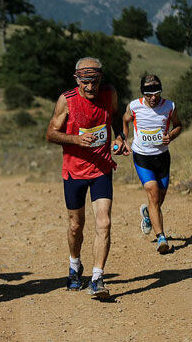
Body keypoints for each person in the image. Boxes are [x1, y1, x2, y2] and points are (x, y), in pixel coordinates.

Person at [46, 57, 128, 299]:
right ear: (77, 80)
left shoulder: (109, 93)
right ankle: (74, 266)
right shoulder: (67, 101)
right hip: (74, 172)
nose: (91, 87)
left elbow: (114, 117)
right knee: (75, 226)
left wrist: (120, 137)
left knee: (104, 223)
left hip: (101, 168)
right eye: (86, 82)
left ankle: (97, 277)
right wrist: (75, 140)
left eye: (95, 81)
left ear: (101, 79)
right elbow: (51, 133)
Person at [122, 75, 182, 254]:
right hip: (142, 156)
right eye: (149, 94)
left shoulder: (170, 106)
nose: (153, 97)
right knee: (154, 194)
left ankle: (148, 214)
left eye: (156, 93)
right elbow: (125, 121)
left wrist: (171, 136)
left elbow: (178, 125)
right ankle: (161, 238)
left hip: (162, 157)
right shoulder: (134, 106)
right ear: (143, 94)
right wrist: (124, 138)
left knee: (160, 197)